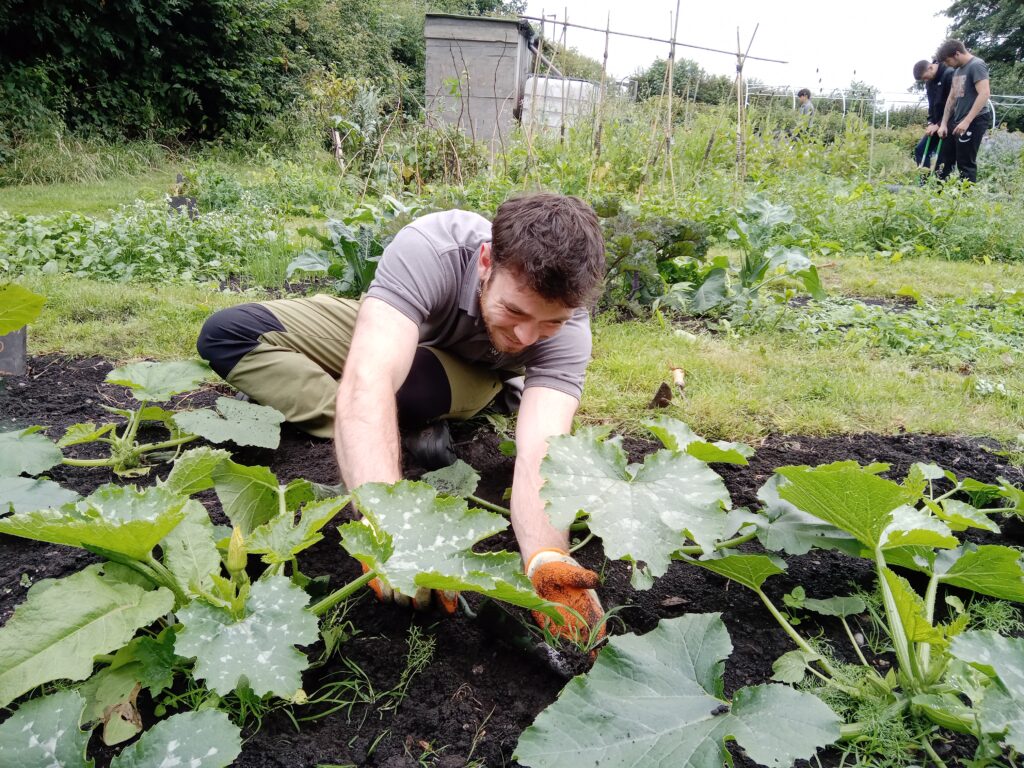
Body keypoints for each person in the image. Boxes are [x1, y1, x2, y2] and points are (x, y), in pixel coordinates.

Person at [197, 193, 607, 643]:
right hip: (406, 326)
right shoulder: (430, 248)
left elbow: (540, 447)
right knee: (229, 333)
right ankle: (373, 424)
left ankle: (386, 420)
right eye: (515, 311)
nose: (528, 337)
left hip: (474, 370)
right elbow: (371, 379)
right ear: (487, 261)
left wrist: (547, 557)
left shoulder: (570, 329)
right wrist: (388, 529)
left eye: (549, 325)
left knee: (402, 392)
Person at [935, 39, 991, 183]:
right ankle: (940, 195)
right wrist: (944, 123)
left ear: (957, 54)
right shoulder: (957, 71)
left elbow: (984, 93)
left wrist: (967, 121)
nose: (947, 65)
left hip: (975, 120)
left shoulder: (976, 65)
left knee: (965, 163)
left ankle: (965, 201)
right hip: (958, 120)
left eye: (948, 61)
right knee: (947, 158)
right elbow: (952, 97)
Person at [911, 57, 954, 169]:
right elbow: (932, 105)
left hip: (950, 123)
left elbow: (954, 104)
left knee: (942, 159)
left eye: (925, 77)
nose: (925, 80)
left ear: (930, 68)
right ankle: (923, 183)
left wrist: (940, 124)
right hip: (936, 125)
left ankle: (940, 184)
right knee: (920, 149)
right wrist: (931, 123)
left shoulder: (949, 74)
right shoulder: (930, 82)